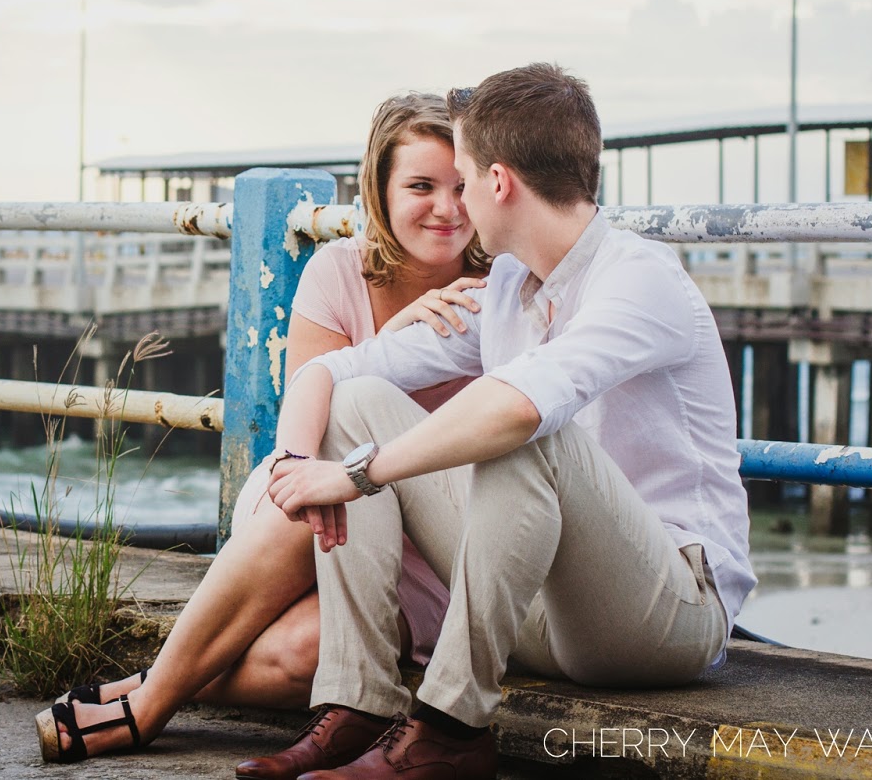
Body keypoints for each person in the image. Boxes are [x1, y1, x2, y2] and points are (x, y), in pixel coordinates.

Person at [243, 63, 756, 780]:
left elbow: (517, 408)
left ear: (499, 182)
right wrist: (300, 466)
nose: (455, 200)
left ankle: (449, 729)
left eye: (463, 175)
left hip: (666, 614)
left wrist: (357, 473)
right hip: (538, 607)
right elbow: (334, 374)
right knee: (357, 405)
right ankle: (359, 705)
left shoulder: (638, 279)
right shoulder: (510, 282)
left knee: (529, 427)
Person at [34, 92, 491, 766]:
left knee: (297, 654)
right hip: (311, 499)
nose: (446, 207)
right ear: (381, 188)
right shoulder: (338, 271)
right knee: (304, 488)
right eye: (421, 185)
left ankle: (151, 683)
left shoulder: (499, 289)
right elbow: (315, 422)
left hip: (421, 542)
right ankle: (150, 711)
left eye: (461, 186)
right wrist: (396, 335)